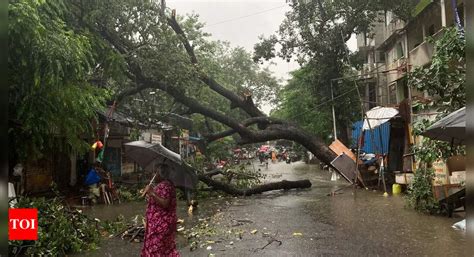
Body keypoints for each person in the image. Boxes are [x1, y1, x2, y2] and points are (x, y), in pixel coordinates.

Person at [142, 163, 179, 257]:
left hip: (161, 225)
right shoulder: (165, 185)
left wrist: (152, 193)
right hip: (162, 224)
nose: (153, 175)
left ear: (160, 173)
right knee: (166, 250)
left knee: (157, 250)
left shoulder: (165, 185)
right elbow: (157, 201)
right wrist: (150, 195)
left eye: (155, 172)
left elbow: (165, 203)